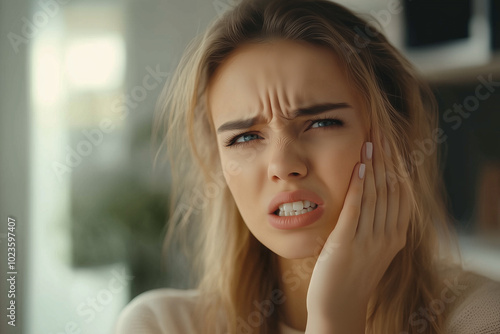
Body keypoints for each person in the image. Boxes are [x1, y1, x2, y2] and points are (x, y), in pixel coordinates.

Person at [114, 0, 500, 333]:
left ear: (393, 136)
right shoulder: (161, 325)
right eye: (245, 138)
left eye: (321, 123)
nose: (283, 165)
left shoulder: (480, 319)